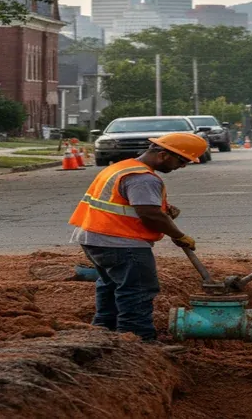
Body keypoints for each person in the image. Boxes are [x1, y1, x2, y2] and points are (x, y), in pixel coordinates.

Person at [67, 133, 206, 341]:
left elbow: (130, 204)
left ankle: (102, 333)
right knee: (138, 290)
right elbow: (149, 214)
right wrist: (179, 235)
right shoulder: (143, 179)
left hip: (94, 237)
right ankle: (138, 340)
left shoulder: (123, 167)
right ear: (163, 155)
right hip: (121, 242)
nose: (182, 166)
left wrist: (164, 209)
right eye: (182, 160)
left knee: (111, 286)